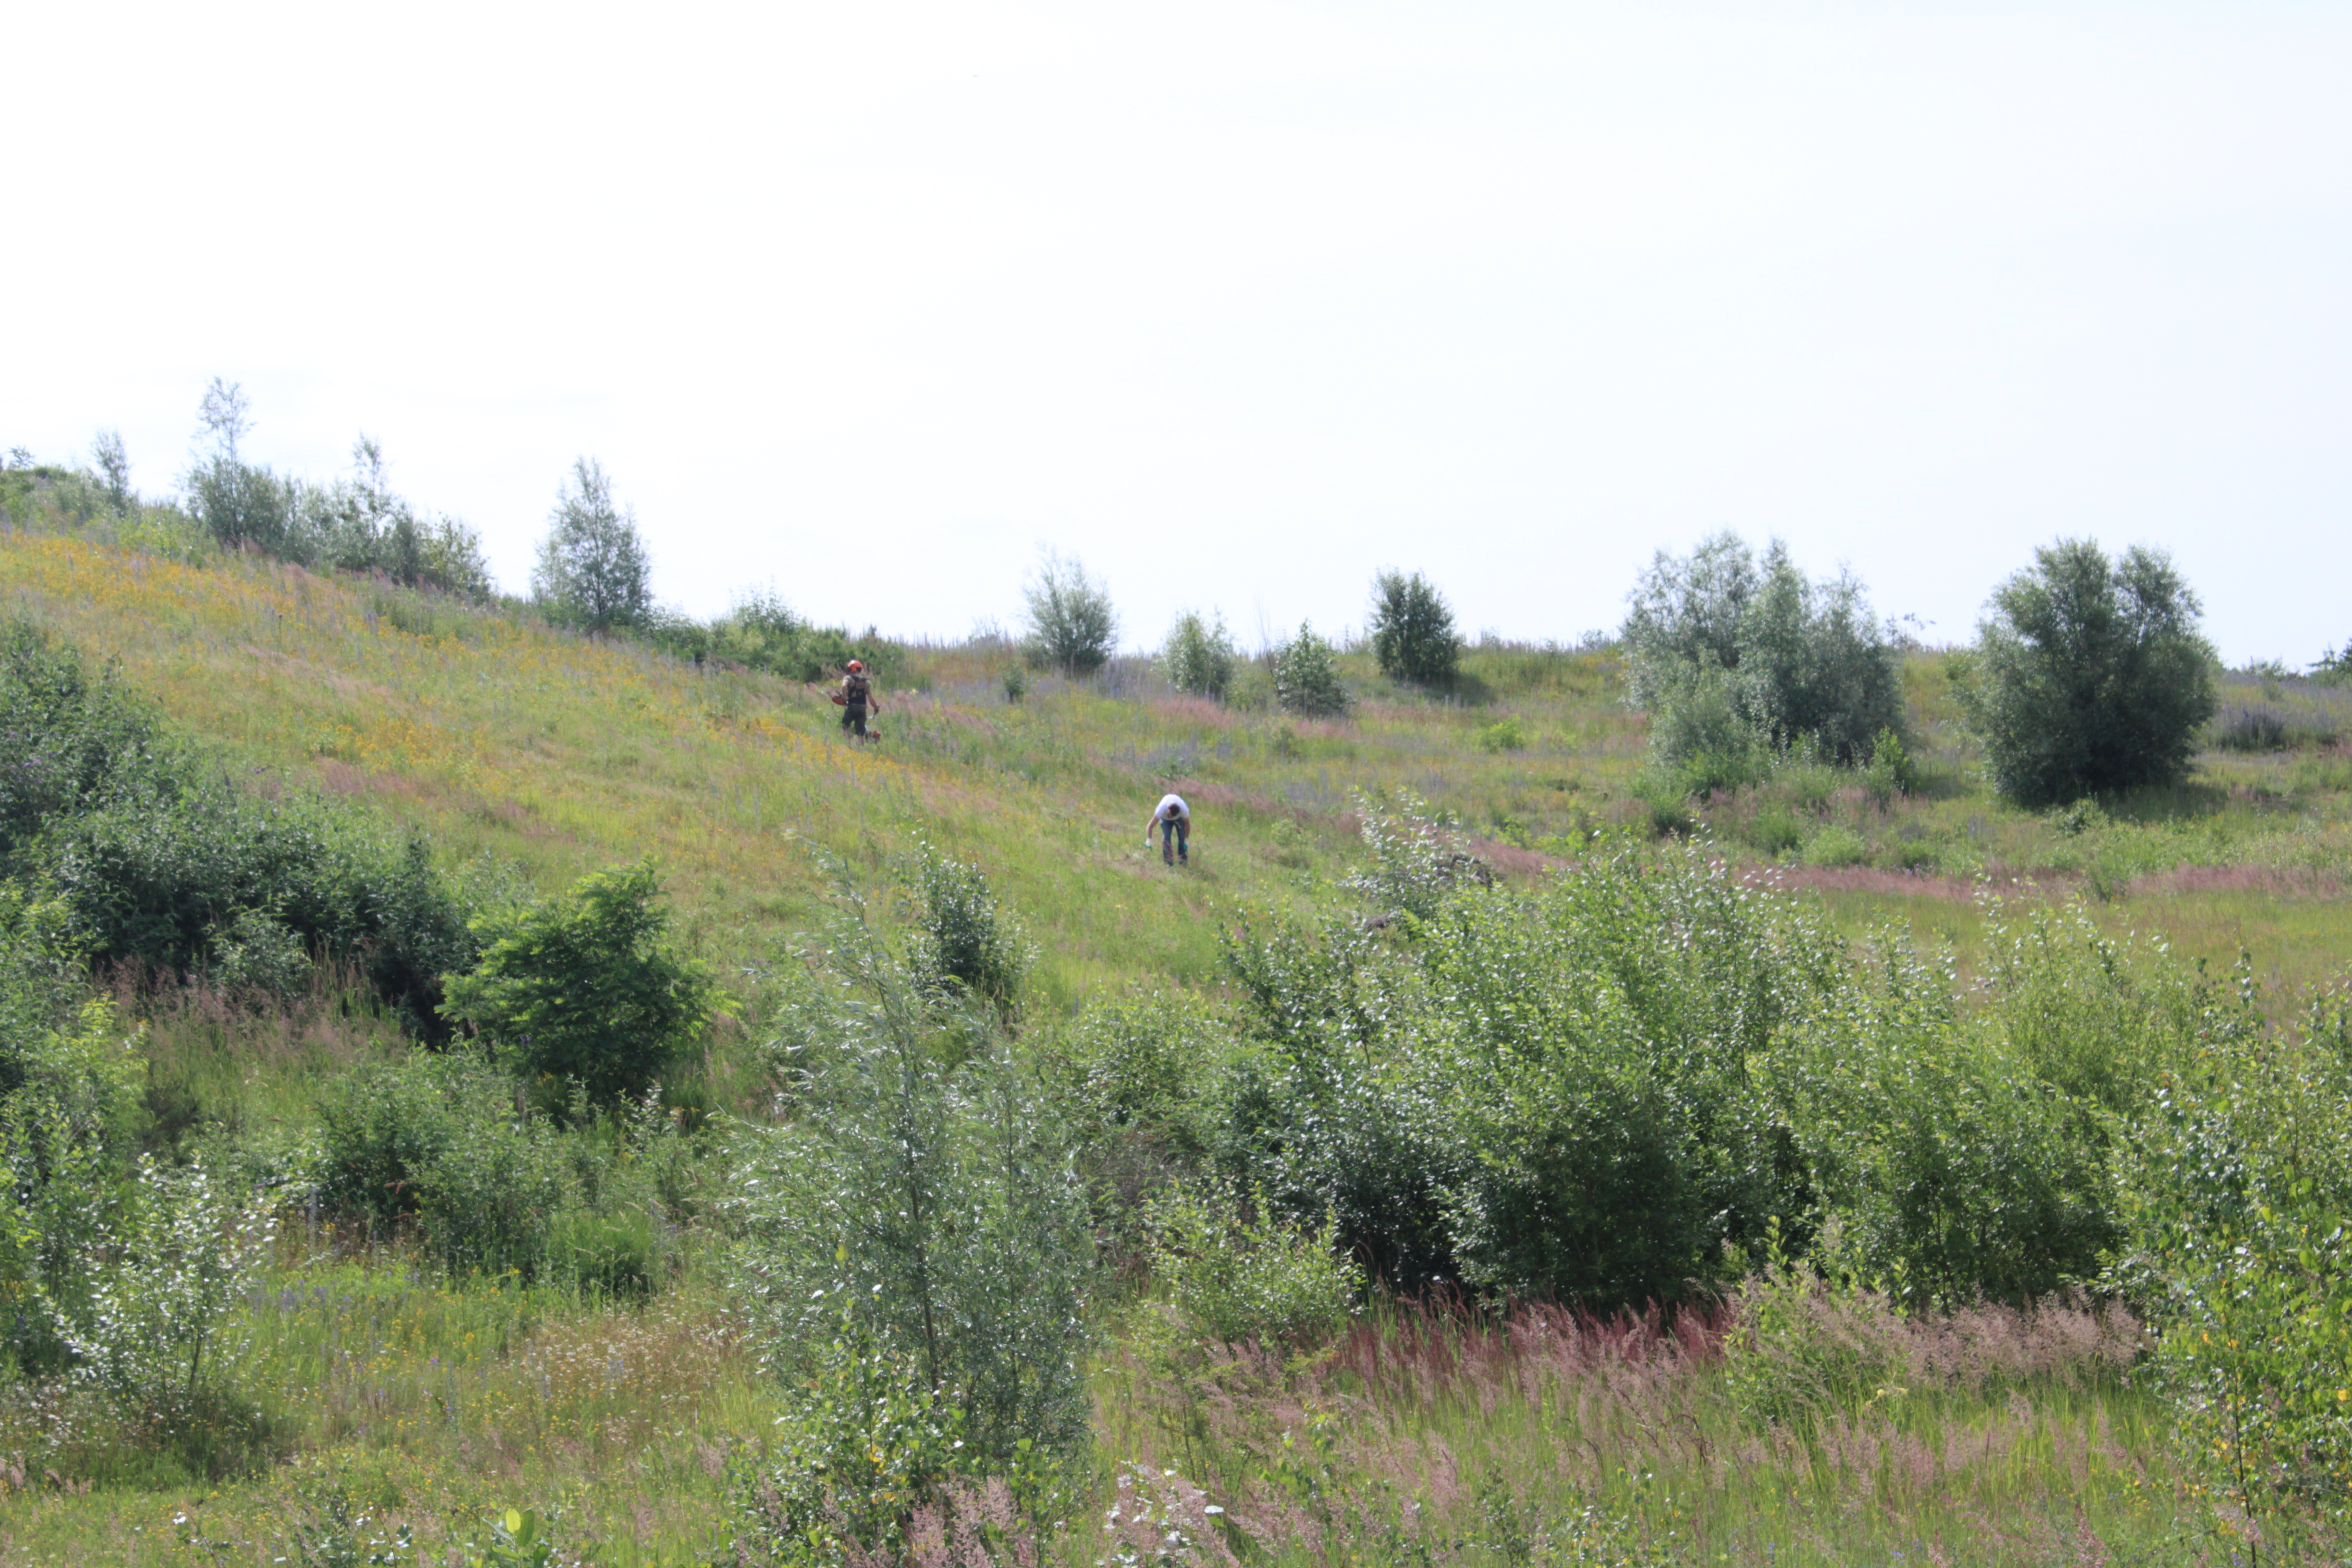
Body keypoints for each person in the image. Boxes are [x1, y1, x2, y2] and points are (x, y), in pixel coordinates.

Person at [1144, 792, 1191, 866]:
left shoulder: (1184, 810)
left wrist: (1187, 839)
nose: (1170, 818)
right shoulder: (1162, 809)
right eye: (1169, 815)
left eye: (1172, 816)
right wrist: (1149, 840)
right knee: (1166, 840)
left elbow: (1187, 824)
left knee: (1182, 840)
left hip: (1179, 820)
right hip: (1165, 821)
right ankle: (1168, 864)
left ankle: (1183, 864)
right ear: (1167, 810)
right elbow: (1150, 826)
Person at [838, 659, 880, 740]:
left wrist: (844, 698)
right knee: (860, 733)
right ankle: (860, 749)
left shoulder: (848, 678)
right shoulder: (867, 682)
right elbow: (871, 699)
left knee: (845, 726)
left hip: (852, 707)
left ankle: (849, 746)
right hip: (862, 709)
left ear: (853, 669)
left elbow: (844, 686)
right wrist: (876, 708)